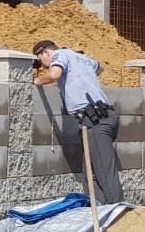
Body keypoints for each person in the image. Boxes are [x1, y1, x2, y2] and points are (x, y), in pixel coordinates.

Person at [32, 40, 123, 204]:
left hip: (94, 119)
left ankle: (117, 211)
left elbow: (54, 75)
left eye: (41, 62)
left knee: (103, 171)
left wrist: (36, 81)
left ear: (45, 52)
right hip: (104, 116)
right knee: (90, 170)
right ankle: (99, 209)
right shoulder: (81, 58)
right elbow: (100, 68)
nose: (44, 67)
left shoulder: (60, 54)